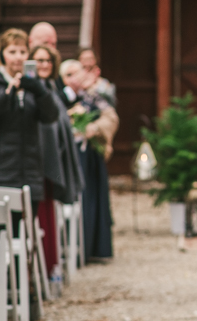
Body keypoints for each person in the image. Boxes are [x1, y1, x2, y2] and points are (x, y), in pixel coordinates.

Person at [0, 28, 59, 206]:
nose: (18, 57)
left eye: (22, 52)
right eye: (12, 52)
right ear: (2, 55)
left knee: (28, 230)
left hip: (30, 173)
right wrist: (6, 94)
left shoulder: (34, 85)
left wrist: (39, 90)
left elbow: (50, 117)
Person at [31, 45, 85, 276]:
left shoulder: (51, 89)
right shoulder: (34, 90)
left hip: (53, 160)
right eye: (38, 60)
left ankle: (50, 268)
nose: (43, 65)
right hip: (36, 164)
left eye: (47, 61)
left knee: (49, 219)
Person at [61, 59, 118, 261]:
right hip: (68, 156)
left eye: (77, 73)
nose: (74, 78)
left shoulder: (92, 96)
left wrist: (96, 128)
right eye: (68, 75)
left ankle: (94, 247)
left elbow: (110, 116)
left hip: (89, 156)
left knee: (92, 199)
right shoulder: (61, 98)